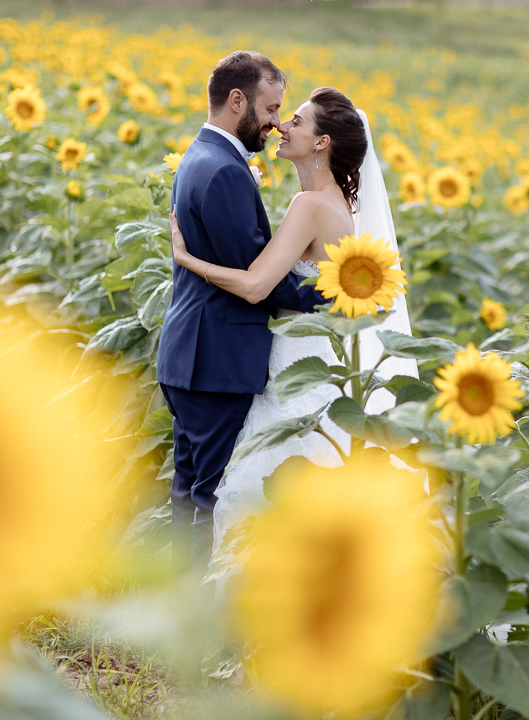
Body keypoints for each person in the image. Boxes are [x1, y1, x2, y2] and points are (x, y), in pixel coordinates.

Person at [168, 86, 418, 563]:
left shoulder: (311, 207)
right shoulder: (334, 205)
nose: (283, 125)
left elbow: (256, 285)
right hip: (315, 357)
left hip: (301, 363)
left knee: (274, 478)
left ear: (322, 143)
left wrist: (186, 258)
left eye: (297, 121)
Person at [156, 51, 325, 575]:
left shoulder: (202, 155)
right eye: (271, 107)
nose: (275, 122)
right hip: (216, 361)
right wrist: (338, 295)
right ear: (237, 100)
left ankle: (175, 609)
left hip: (195, 353)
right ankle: (191, 628)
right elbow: (260, 281)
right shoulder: (225, 171)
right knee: (210, 494)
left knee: (190, 491)